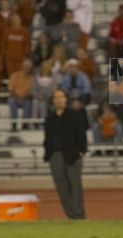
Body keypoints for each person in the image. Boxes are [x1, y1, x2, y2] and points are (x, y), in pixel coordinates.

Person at [43, 88, 87, 219]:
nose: (59, 99)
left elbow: (81, 135)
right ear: (52, 101)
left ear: (66, 99)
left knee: (75, 187)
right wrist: (48, 154)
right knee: (62, 189)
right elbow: (48, 138)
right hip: (55, 156)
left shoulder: (74, 115)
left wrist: (81, 151)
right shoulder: (49, 119)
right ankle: (70, 215)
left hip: (73, 156)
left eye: (61, 97)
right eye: (56, 97)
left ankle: (79, 215)